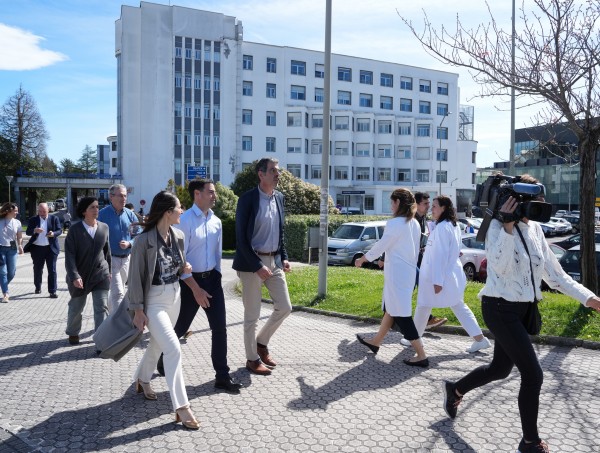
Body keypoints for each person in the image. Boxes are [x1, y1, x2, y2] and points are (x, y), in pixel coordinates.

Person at [442, 175, 600, 453]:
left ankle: (455, 389)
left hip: (523, 310)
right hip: (499, 308)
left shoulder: (537, 230)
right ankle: (530, 442)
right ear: (513, 203)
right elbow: (499, 268)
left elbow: (557, 277)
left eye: (539, 202)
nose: (536, 208)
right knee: (533, 375)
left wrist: (591, 299)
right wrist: (506, 227)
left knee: (499, 370)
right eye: (531, 202)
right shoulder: (496, 230)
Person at [156, 179, 242, 394]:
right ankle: (161, 360)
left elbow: (217, 253)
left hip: (212, 280)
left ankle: (222, 376)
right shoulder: (183, 221)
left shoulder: (216, 221)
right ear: (197, 194)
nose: (215, 196)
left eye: (214, 192)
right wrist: (195, 288)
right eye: (211, 192)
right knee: (181, 327)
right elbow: (179, 259)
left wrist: (216, 278)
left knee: (220, 329)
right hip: (188, 282)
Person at [129, 191, 200, 430]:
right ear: (168, 212)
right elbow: (135, 278)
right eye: (179, 207)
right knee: (173, 348)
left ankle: (142, 379)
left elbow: (179, 267)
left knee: (157, 344)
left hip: (175, 297)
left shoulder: (178, 235)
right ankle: (181, 406)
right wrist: (138, 310)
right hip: (154, 301)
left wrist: (184, 267)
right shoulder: (143, 241)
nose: (182, 210)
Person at [356, 192, 446, 353]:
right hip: (408, 274)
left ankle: (421, 354)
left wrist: (363, 259)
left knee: (403, 315)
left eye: (392, 203)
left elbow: (381, 245)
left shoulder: (395, 223)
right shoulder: (414, 224)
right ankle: (376, 342)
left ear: (398, 202)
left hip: (397, 275)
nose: (391, 206)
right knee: (391, 309)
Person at [233, 157, 293, 376]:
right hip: (251, 263)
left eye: (278, 171)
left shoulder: (279, 198)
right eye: (274, 171)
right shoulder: (247, 199)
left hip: (274, 261)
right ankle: (252, 358)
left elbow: (280, 232)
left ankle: (261, 342)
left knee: (285, 307)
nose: (278, 174)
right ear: (261, 174)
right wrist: (257, 265)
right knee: (252, 315)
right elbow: (241, 238)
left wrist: (284, 257)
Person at [414, 196, 491, 353]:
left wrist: (437, 281)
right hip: (448, 274)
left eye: (434, 206)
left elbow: (440, 256)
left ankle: (414, 339)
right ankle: (480, 339)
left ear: (443, 208)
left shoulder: (443, 228)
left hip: (440, 275)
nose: (431, 209)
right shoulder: (451, 225)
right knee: (451, 305)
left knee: (424, 304)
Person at [64, 197, 110, 345]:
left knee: (101, 307)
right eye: (92, 207)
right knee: (76, 307)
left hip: (100, 274)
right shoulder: (75, 230)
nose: (96, 210)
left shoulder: (104, 227)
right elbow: (69, 255)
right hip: (80, 275)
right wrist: (74, 276)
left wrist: (108, 270)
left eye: (97, 207)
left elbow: (107, 251)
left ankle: (101, 338)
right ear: (84, 211)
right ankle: (73, 332)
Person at [98, 184, 138, 313]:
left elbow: (139, 234)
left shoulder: (130, 215)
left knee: (116, 292)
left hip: (127, 259)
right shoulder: (102, 215)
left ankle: (110, 316)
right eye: (120, 195)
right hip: (111, 260)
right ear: (111, 197)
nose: (124, 198)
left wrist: (130, 243)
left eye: (125, 195)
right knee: (119, 293)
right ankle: (116, 325)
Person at [26, 202, 62, 298]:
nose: (42, 213)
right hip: (37, 248)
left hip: (51, 248)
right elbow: (28, 232)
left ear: (48, 210)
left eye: (44, 211)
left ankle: (52, 291)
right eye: (40, 211)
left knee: (52, 270)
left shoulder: (54, 219)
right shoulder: (33, 220)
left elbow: (59, 230)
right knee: (38, 269)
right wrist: (34, 230)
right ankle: (38, 287)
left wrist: (53, 233)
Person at [0, 203, 23, 303]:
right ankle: (6, 294)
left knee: (12, 273)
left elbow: (19, 236)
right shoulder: (0, 220)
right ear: (8, 211)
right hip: (1, 248)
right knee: (3, 272)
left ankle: (3, 284)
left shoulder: (17, 222)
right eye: (15, 211)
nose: (17, 213)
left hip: (12, 249)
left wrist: (20, 245)